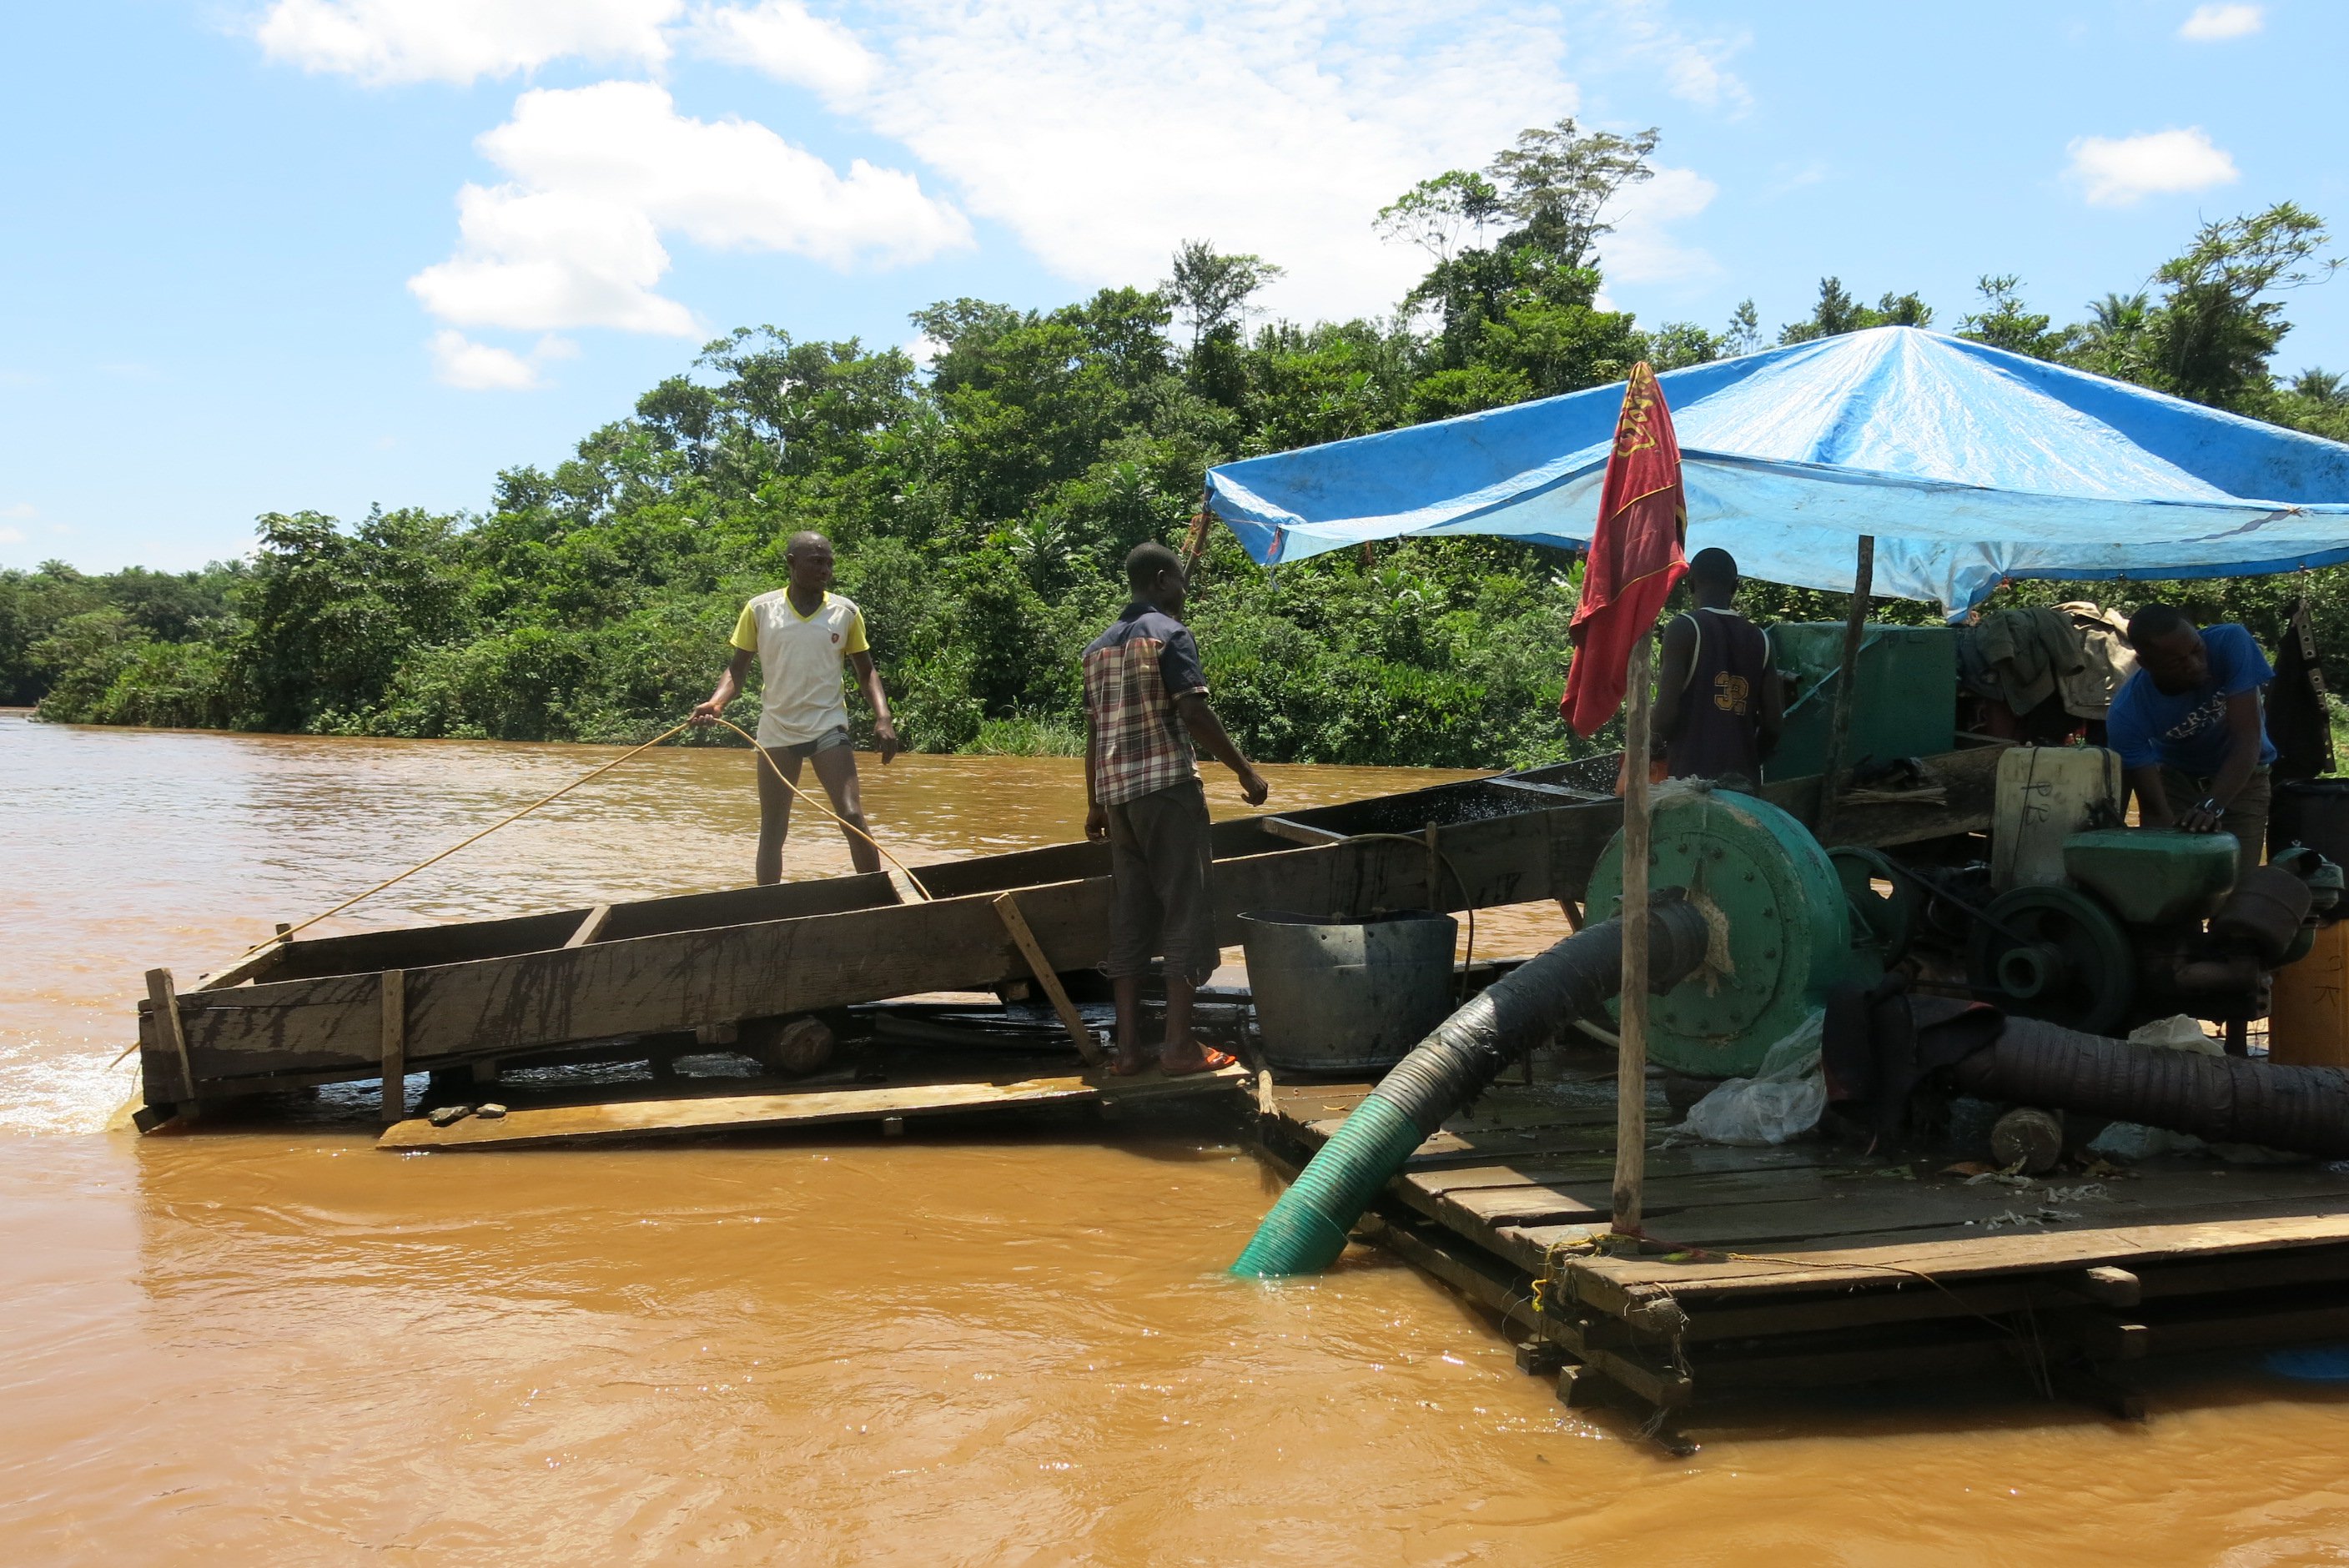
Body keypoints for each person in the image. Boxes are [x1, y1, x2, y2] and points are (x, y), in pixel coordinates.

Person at [1084, 542, 1270, 1078]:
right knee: (1186, 910)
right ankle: (1179, 1049)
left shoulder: (1096, 650)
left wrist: (1095, 804)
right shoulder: (1170, 635)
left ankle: (1127, 1052)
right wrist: (1243, 770)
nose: (1185, 596)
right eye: (1182, 584)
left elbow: (1095, 736)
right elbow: (1193, 712)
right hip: (1166, 789)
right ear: (1163, 581)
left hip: (1118, 800)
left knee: (1130, 915)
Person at [692, 530, 899, 883]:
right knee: (773, 827)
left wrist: (883, 717)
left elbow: (866, 672)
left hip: (827, 727)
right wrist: (717, 702)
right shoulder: (760, 609)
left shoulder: (845, 612)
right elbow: (737, 668)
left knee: (851, 815)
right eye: (816, 561)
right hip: (777, 730)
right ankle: (768, 911)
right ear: (791, 562)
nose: (825, 569)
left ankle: (876, 898)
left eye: (829, 563)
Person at [2106, 603, 2276, 882]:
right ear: (2146, 664)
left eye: (2197, 650)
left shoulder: (2231, 642)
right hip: (2179, 785)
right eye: (2177, 663)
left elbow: (2247, 740)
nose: (2196, 665)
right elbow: (2156, 810)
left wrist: (2211, 805)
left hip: (2246, 780)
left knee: (2236, 889)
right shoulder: (2127, 715)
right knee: (2177, 887)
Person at [1651, 547, 1783, 785]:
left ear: (1690, 584)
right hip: (1742, 783)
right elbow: (1773, 725)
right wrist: (1751, 761)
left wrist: (1650, 745)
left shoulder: (1684, 628)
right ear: (1735, 587)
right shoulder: (1762, 640)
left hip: (1689, 779)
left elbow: (1665, 716)